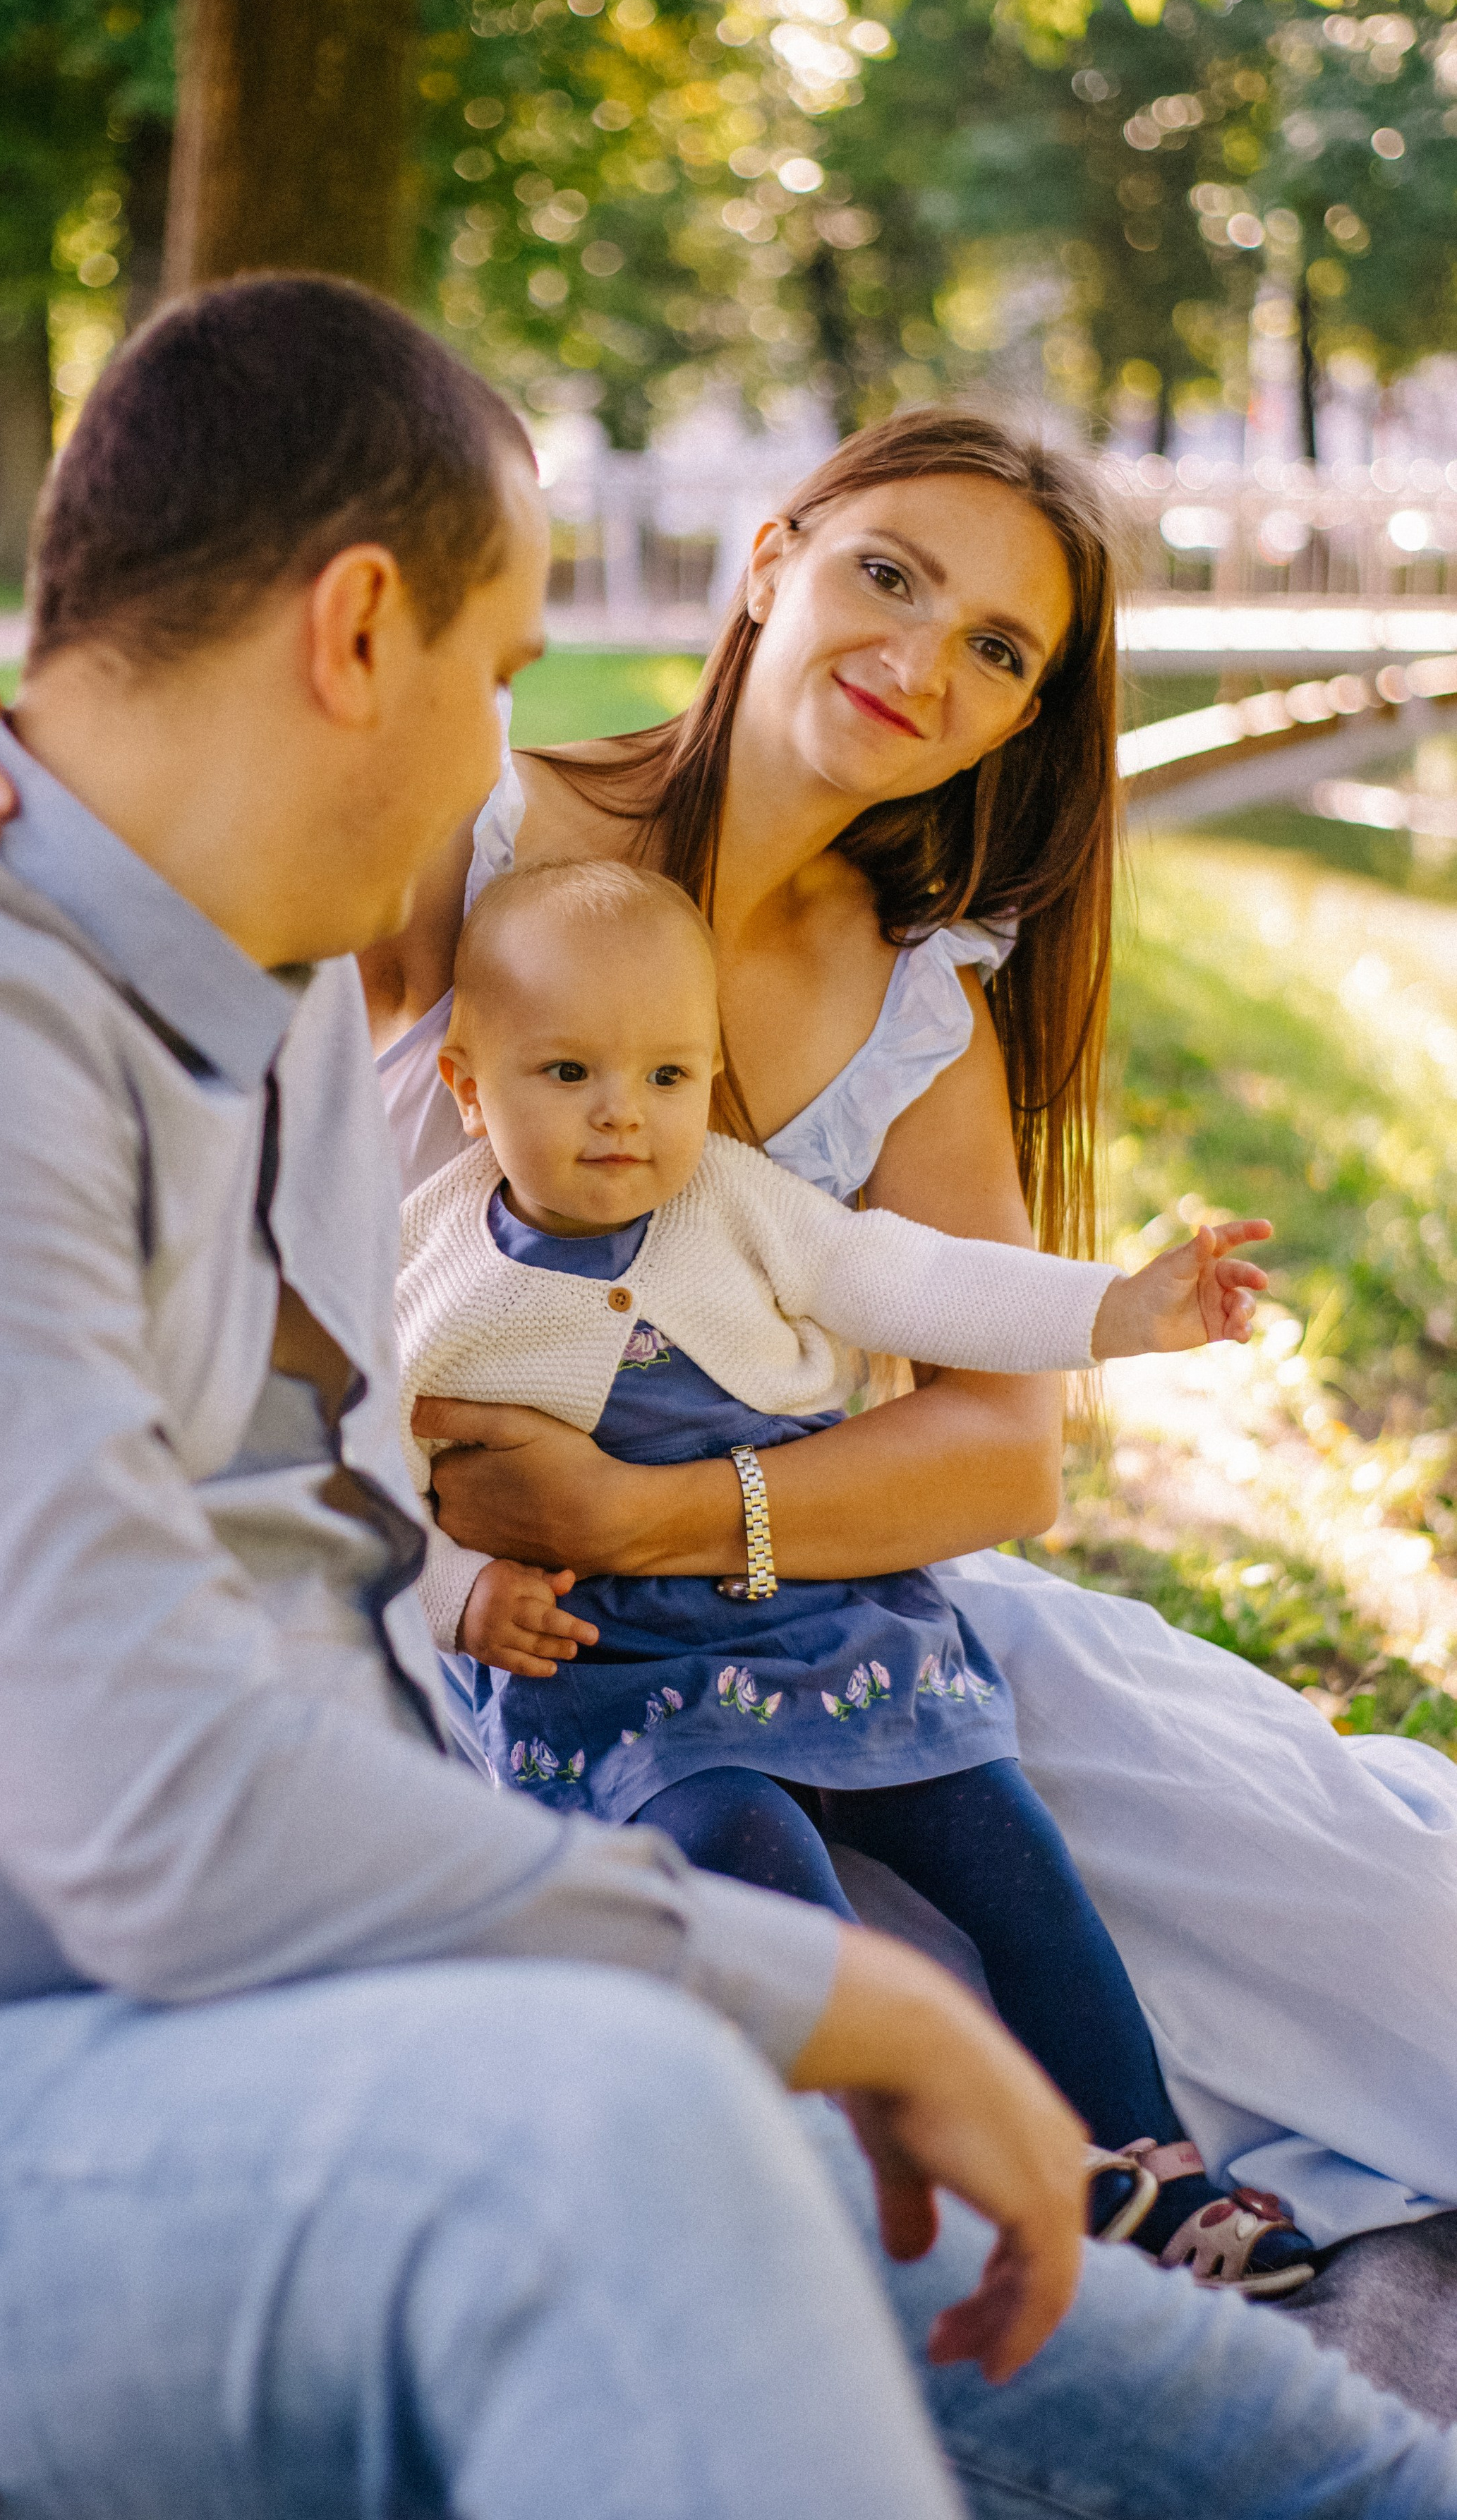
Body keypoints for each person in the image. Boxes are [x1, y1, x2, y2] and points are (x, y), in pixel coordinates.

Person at [0, 274, 1454, 2519]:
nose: (501, 769)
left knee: (997, 2256)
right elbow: (175, 1808)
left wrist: (650, 1573)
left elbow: (354, 1573)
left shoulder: (255, 1027)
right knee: (646, 2124)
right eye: (502, 674)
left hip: (368, 1937)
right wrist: (810, 1995)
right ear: (361, 634)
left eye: (1002, 647)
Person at [397, 850, 1314, 2294]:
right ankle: (950, 2165)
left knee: (1004, 1847)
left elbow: (916, 1278)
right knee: (746, 1857)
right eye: (567, 1073)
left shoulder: (735, 1203)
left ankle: (1151, 2163)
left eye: (667, 1075)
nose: (622, 1114)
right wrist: (460, 1595)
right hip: (615, 1675)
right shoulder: (433, 1282)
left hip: (822, 1616)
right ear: (467, 1085)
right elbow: (369, 1492)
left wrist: (1119, 1312)